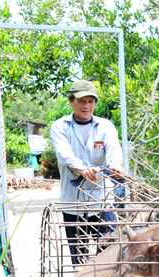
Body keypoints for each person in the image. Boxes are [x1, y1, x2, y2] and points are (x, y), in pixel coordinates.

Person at [50, 80, 126, 265]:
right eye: (82, 101)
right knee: (79, 258)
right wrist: (83, 170)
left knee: (109, 254)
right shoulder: (60, 126)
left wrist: (116, 164)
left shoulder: (105, 126)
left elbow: (114, 150)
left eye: (91, 101)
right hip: (73, 202)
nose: (87, 106)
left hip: (103, 201)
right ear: (71, 101)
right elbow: (64, 155)